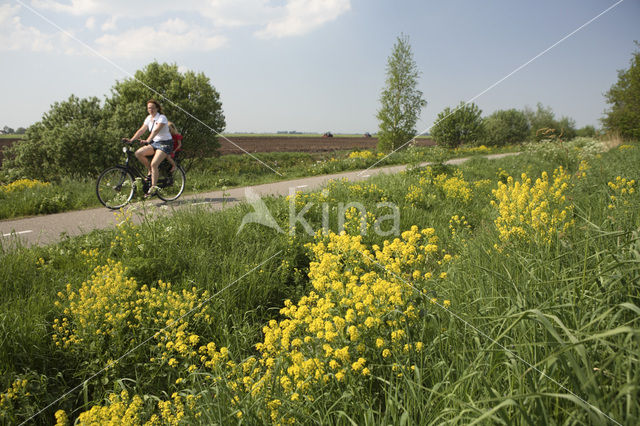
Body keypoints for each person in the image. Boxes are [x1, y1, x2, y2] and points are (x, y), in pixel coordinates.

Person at [126, 99, 174, 197]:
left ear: (157, 108)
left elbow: (156, 131)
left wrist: (147, 140)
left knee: (154, 163)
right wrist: (131, 140)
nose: (150, 110)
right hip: (155, 143)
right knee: (138, 153)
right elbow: (141, 130)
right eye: (149, 108)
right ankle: (152, 172)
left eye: (152, 108)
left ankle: (153, 188)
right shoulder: (148, 118)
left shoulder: (162, 118)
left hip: (165, 143)